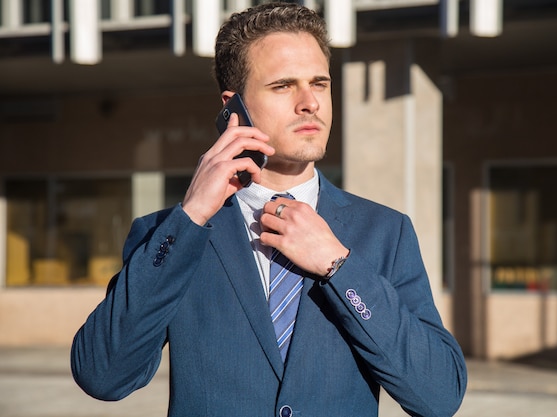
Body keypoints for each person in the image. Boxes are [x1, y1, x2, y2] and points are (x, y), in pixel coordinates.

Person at [71, 3, 467, 417]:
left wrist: (339, 266)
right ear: (233, 107)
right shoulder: (167, 234)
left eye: (319, 83)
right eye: (283, 86)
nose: (310, 102)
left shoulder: (385, 231)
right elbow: (103, 375)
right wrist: (189, 219)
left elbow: (438, 394)